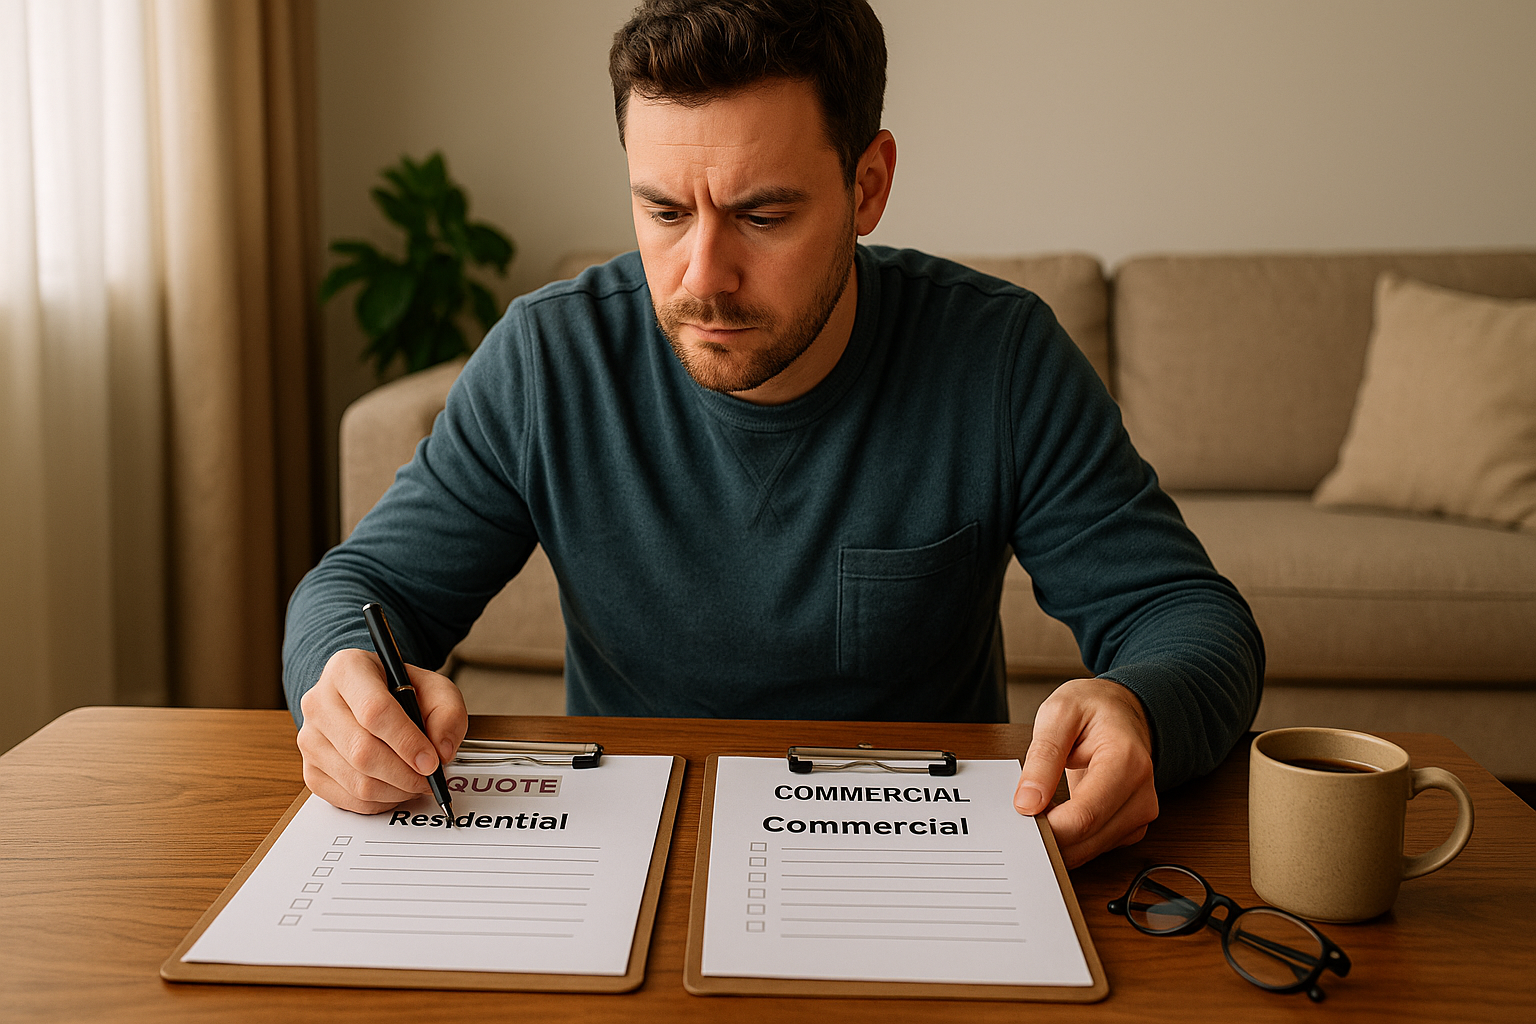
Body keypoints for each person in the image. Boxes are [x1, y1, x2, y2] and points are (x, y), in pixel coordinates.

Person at [283, 0, 1263, 868]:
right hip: (623, 857)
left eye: (762, 214)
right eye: (663, 210)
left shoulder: (998, 357)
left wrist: (1138, 708)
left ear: (868, 184)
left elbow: (1190, 620)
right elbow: (360, 589)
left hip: (920, 859)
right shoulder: (550, 359)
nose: (702, 274)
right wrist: (342, 684)